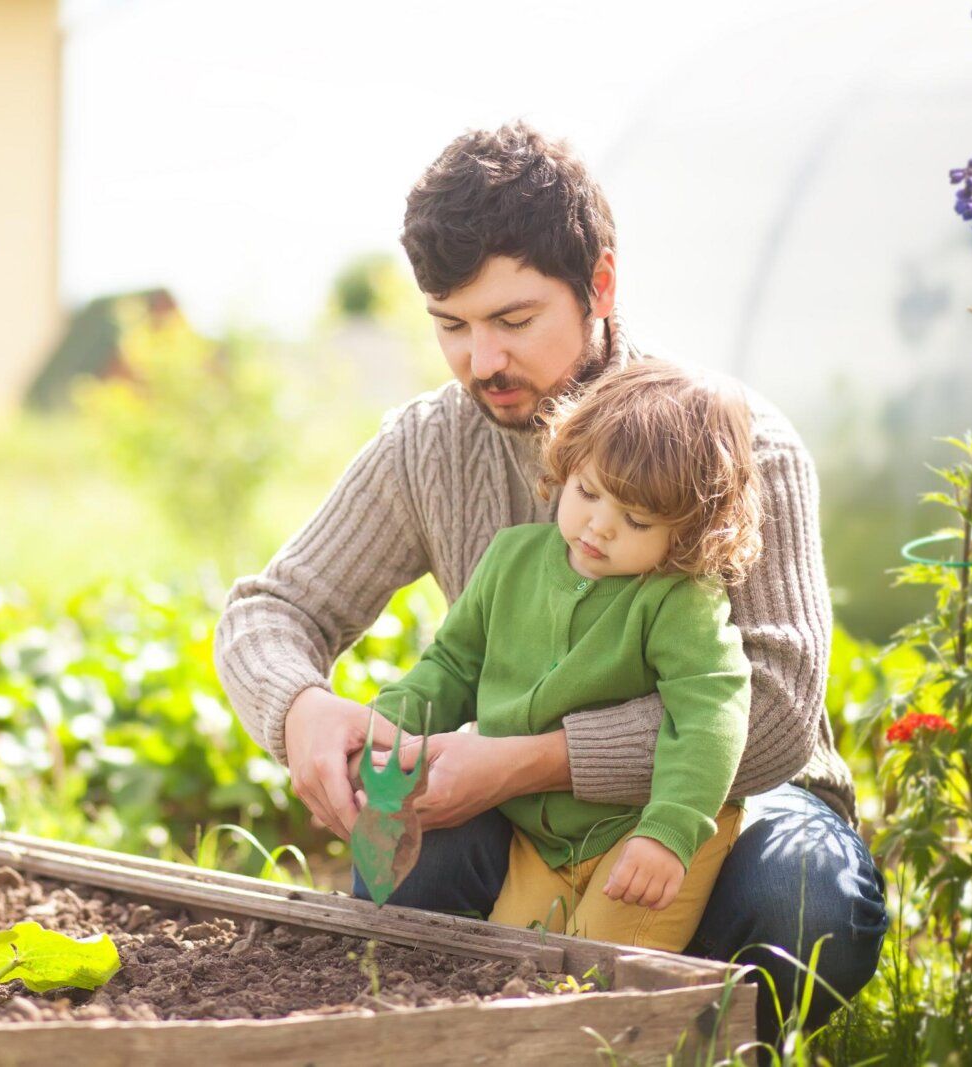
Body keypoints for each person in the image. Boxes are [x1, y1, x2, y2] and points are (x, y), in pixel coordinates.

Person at [212, 122, 887, 1041]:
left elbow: (771, 716)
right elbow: (272, 609)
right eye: (450, 325)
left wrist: (532, 754)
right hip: (520, 809)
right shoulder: (432, 443)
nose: (479, 360)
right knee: (398, 876)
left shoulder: (737, 445)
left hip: (727, 805)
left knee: (806, 903)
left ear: (600, 285)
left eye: (513, 321)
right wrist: (300, 709)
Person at [359, 359, 760, 952]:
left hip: (645, 827)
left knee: (592, 969)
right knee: (508, 967)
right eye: (588, 492)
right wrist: (388, 726)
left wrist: (671, 830)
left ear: (691, 530)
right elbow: (451, 664)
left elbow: (711, 714)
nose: (599, 527)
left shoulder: (679, 598)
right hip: (541, 842)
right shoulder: (511, 559)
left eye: (637, 519)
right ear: (566, 466)